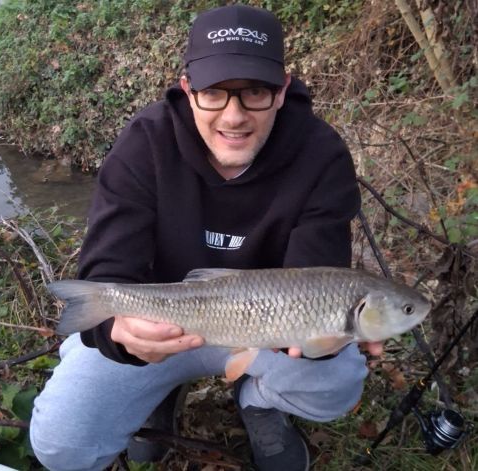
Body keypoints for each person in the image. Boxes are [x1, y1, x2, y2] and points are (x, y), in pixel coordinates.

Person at [30, 5, 381, 471]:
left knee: (336, 385)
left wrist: (328, 339)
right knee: (62, 447)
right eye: (214, 93)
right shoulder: (145, 142)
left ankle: (257, 400)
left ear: (281, 91)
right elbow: (108, 266)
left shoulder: (322, 155)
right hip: (164, 324)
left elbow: (317, 277)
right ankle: (157, 384)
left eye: (254, 92)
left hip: (268, 331)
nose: (234, 117)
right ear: (188, 90)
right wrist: (118, 334)